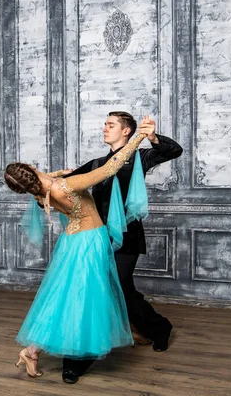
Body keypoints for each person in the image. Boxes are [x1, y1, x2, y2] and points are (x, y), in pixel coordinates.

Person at [4, 121, 153, 380]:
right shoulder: (63, 186)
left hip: (71, 242)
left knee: (66, 296)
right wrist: (138, 138)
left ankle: (33, 349)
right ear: (30, 167)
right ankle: (43, 349)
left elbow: (46, 178)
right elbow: (110, 168)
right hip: (89, 240)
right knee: (85, 297)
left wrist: (62, 172)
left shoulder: (40, 190)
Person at [61, 112, 183, 384]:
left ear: (126, 131)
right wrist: (42, 187)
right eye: (104, 123)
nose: (104, 128)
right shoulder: (96, 163)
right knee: (104, 290)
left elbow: (174, 150)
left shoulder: (138, 158)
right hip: (94, 238)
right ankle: (79, 356)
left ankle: (158, 327)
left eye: (110, 124)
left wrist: (151, 137)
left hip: (126, 237)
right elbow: (66, 185)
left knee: (119, 289)